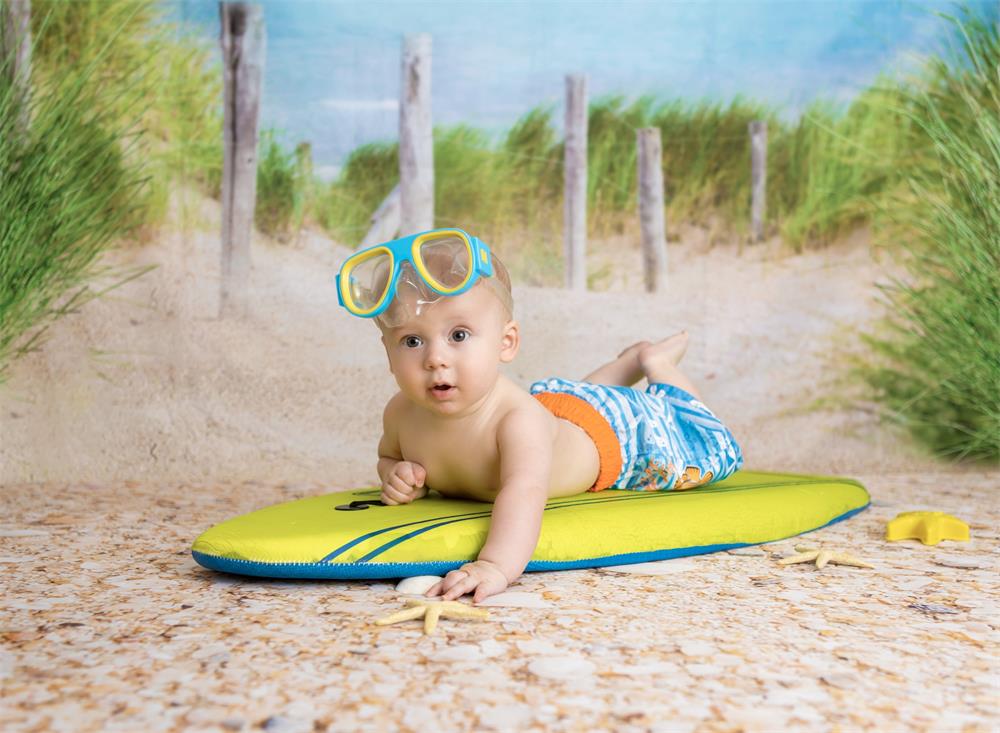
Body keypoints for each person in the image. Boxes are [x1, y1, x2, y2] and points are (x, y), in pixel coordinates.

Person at [335, 228, 743, 603]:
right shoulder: (400, 414)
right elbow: (388, 456)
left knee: (692, 430)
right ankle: (629, 360)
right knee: (582, 398)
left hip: (618, 441)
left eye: (458, 335)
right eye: (411, 340)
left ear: (506, 342)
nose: (435, 358)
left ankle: (656, 363)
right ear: (388, 354)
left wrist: (497, 564)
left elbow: (524, 491)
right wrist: (396, 476)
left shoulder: (516, 420)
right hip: (563, 414)